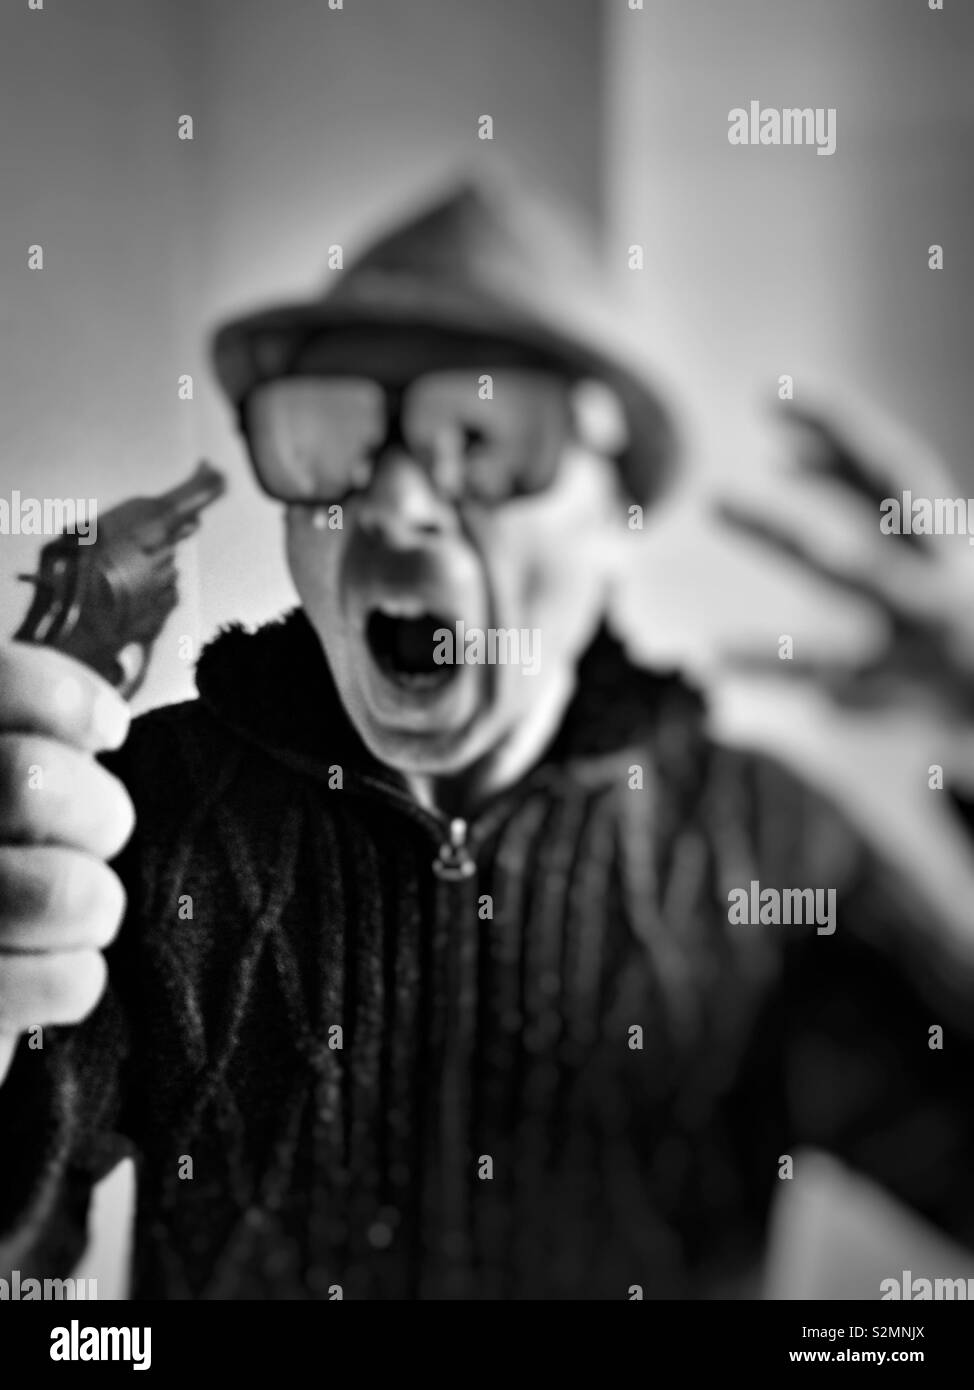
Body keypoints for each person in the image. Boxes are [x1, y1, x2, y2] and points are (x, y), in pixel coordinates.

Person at [1, 180, 973, 1300]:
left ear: (619, 516)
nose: (393, 503)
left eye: (488, 435)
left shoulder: (767, 855)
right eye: (328, 435)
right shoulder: (141, 821)